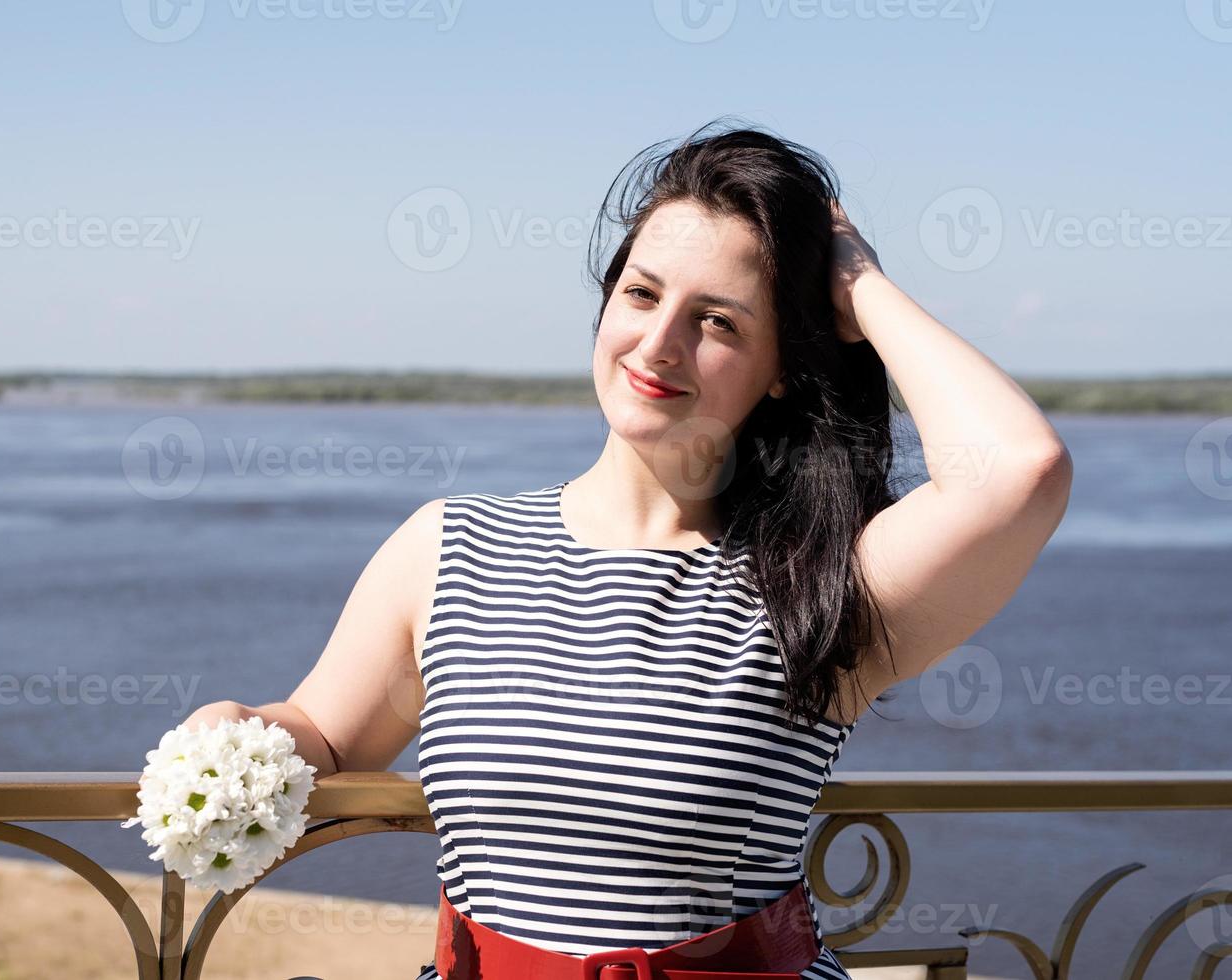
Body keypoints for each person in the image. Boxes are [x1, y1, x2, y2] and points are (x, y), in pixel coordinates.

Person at [183, 119, 1074, 979]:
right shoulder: (448, 549)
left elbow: (1017, 471)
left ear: (781, 369)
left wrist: (858, 282)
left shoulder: (817, 584)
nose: (658, 344)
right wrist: (233, 732)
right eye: (641, 294)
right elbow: (329, 741)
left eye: (717, 321)